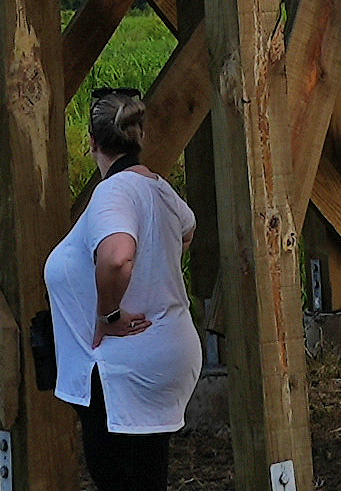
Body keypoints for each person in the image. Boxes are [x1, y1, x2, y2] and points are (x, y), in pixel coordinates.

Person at [43, 86, 200, 491]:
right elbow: (187, 229)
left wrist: (108, 315)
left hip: (121, 369)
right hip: (162, 352)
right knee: (147, 478)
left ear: (91, 142)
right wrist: (156, 278)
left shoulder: (114, 191)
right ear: (139, 135)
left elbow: (116, 256)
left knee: (119, 479)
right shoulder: (158, 188)